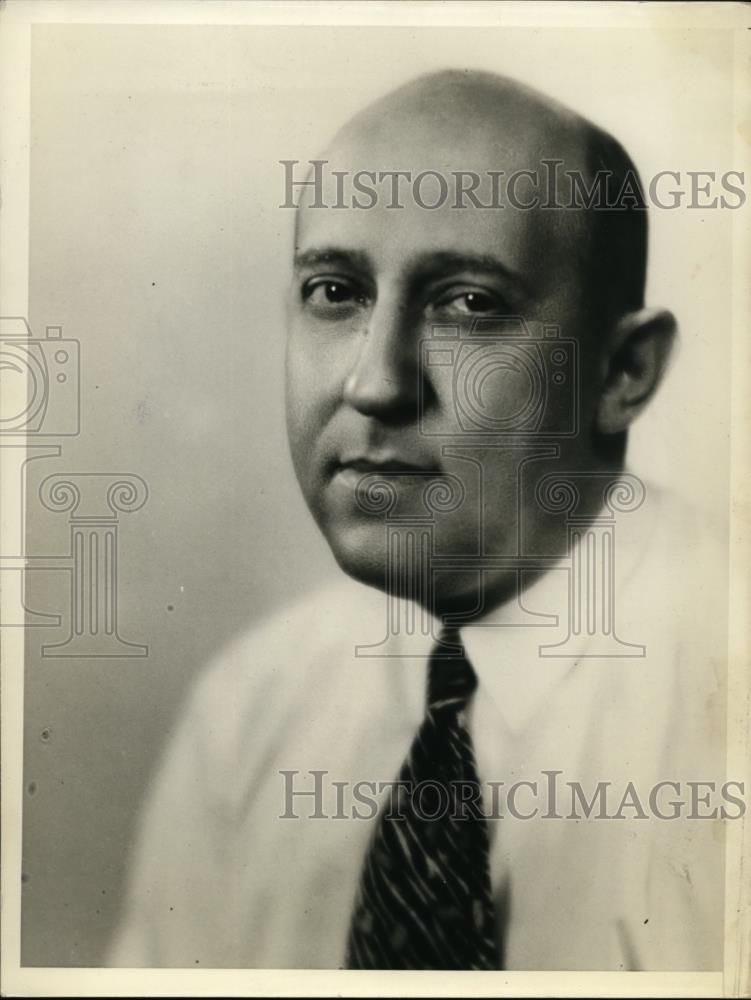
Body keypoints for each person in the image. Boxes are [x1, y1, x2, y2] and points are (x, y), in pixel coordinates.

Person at [108, 70, 727, 971]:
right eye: (335, 293)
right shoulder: (251, 711)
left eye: (468, 304)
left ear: (621, 371)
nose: (375, 383)